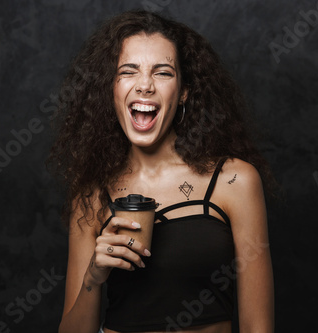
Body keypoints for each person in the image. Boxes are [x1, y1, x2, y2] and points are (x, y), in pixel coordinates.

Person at [49, 9, 276, 333]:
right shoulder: (91, 195)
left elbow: (259, 327)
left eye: (163, 72)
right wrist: (93, 277)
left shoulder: (235, 181)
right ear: (110, 88)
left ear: (183, 91)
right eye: (128, 71)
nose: (145, 85)